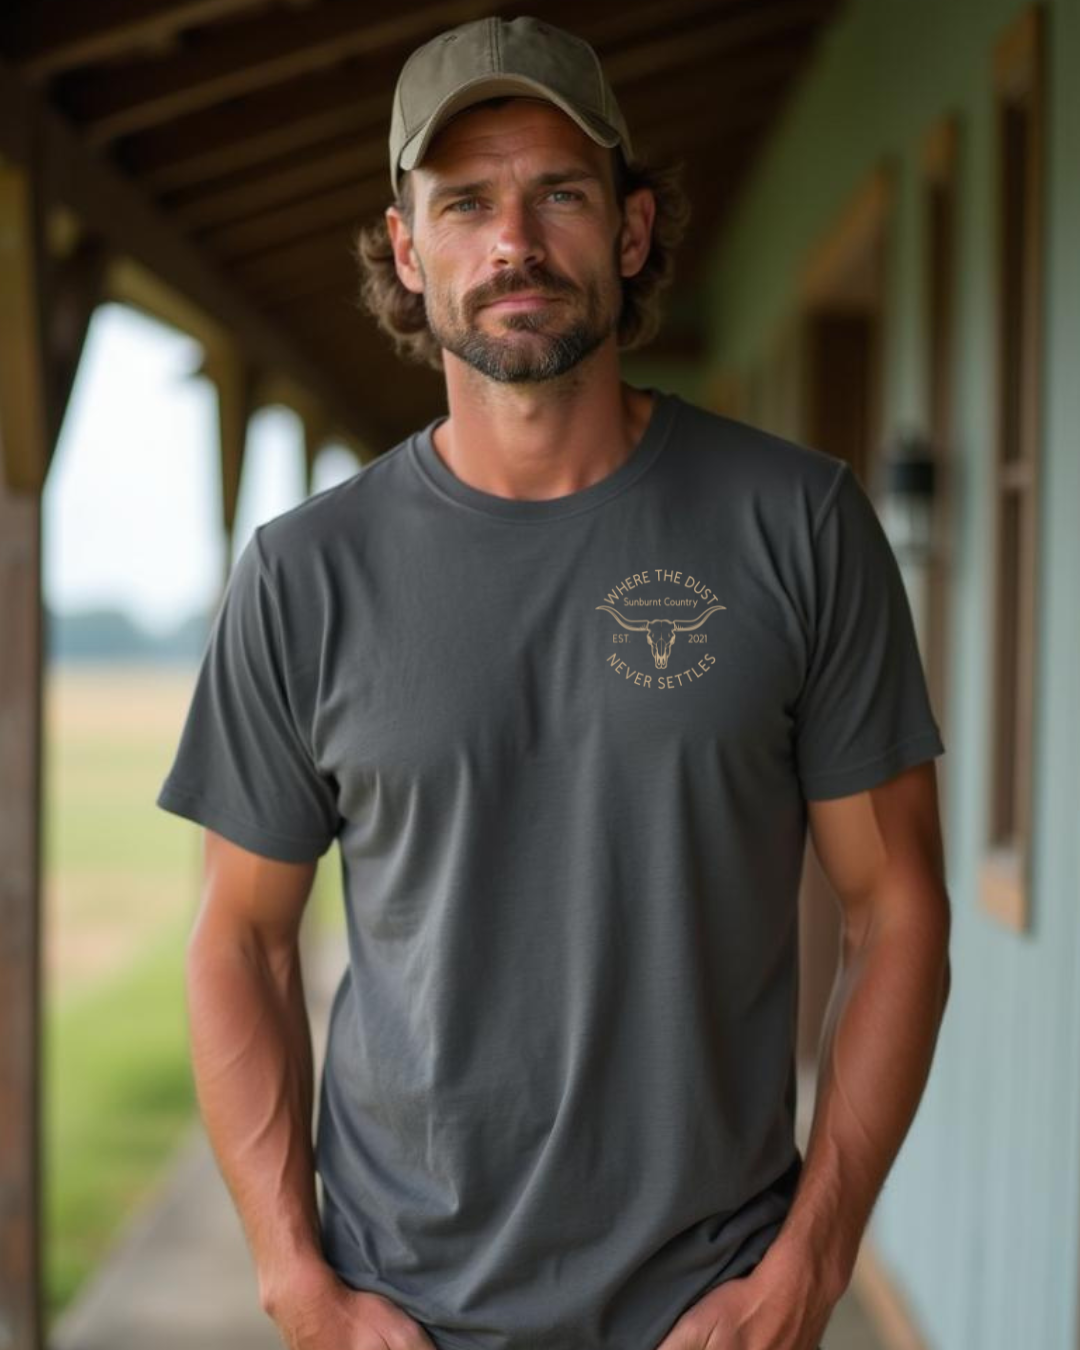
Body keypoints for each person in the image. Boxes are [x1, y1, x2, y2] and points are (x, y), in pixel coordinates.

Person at [157, 14, 952, 1350]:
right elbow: (238, 937)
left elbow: (901, 906)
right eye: (465, 203)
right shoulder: (305, 575)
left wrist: (812, 1262)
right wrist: (297, 1275)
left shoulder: (798, 524)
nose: (512, 240)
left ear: (632, 231)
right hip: (401, 1307)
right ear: (408, 251)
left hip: (707, 1311)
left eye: (559, 193)